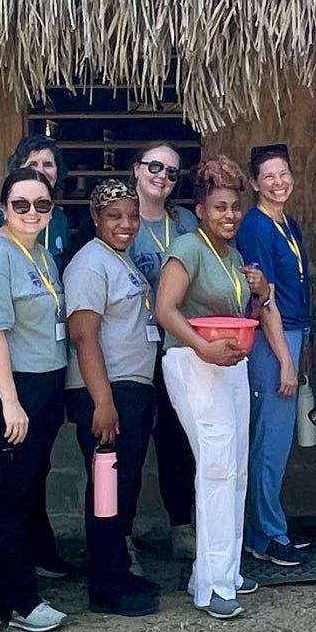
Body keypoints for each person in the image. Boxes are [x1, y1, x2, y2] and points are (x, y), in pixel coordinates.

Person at [153, 155, 294, 620]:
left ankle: (225, 572)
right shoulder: (188, 248)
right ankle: (210, 585)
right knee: (215, 466)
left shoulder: (233, 257)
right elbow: (166, 309)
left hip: (230, 364)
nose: (229, 215)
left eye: (235, 207)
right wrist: (200, 348)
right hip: (194, 362)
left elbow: (245, 318)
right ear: (201, 211)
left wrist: (261, 292)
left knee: (234, 468)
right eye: (219, 208)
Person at [0, 167, 69, 632]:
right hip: (2, 388)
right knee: (10, 494)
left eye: (40, 205)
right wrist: (10, 402)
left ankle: (0, 587)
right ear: (3, 209)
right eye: (20, 204)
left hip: (38, 385)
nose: (31, 212)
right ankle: (18, 602)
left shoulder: (40, 254)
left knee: (22, 488)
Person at [62, 177, 165, 617]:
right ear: (95, 218)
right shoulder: (89, 265)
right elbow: (84, 336)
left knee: (125, 487)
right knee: (107, 487)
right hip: (105, 392)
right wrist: (102, 402)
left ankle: (118, 570)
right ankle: (104, 585)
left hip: (130, 388)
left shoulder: (119, 260)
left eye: (132, 215)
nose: (126, 224)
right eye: (114, 216)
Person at [232, 144, 312, 567]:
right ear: (254, 183)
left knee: (276, 442)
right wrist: (284, 358)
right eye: (268, 177)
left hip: (294, 335)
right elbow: (264, 301)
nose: (278, 182)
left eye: (283, 174)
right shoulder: (255, 228)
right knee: (270, 440)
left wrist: (304, 347)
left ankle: (267, 524)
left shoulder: (287, 223)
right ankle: (264, 534)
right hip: (271, 340)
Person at [128, 141, 200, 562]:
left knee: (177, 439)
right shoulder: (120, 218)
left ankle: (181, 527)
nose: (163, 176)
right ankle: (122, 535)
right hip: (131, 349)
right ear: (137, 169)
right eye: (155, 166)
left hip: (178, 345)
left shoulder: (186, 222)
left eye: (172, 172)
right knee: (130, 442)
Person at [0, 135, 76, 269]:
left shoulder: (59, 220)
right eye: (32, 164)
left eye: (48, 165)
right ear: (17, 170)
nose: (41, 171)